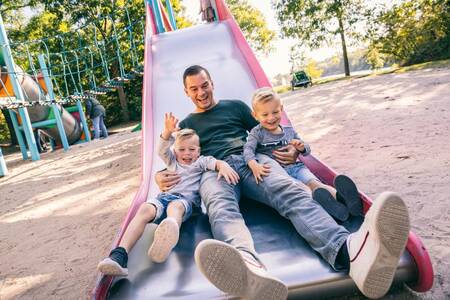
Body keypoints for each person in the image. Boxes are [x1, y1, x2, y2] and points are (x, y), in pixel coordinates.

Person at [155, 65, 410, 300]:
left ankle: (346, 250)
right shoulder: (187, 124)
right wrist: (159, 176)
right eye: (194, 88)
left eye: (205, 85)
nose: (201, 92)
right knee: (220, 208)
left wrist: (294, 151)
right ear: (186, 92)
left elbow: (269, 130)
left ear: (212, 83)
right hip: (215, 170)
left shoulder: (235, 107)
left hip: (251, 160)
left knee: (289, 191)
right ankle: (248, 267)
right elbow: (179, 158)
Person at [97, 113, 238, 276]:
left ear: (198, 151)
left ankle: (169, 230)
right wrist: (167, 132)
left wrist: (223, 166)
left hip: (186, 202)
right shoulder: (172, 161)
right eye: (182, 149)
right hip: (163, 199)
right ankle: (119, 256)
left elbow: (215, 162)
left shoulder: (200, 162)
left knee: (175, 207)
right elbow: (161, 149)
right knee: (144, 209)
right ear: (175, 151)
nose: (187, 153)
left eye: (192, 149)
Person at [243, 87, 362, 221]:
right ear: (255, 115)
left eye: (275, 112)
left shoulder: (288, 130)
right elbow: (247, 150)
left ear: (281, 109)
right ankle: (331, 210)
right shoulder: (257, 133)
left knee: (315, 184)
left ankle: (343, 199)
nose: (271, 118)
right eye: (265, 115)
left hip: (297, 168)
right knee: (304, 190)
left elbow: (306, 150)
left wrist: (301, 147)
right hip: (280, 174)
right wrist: (253, 165)